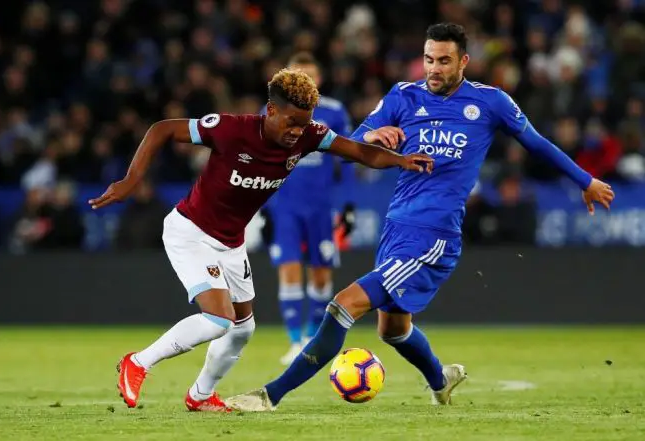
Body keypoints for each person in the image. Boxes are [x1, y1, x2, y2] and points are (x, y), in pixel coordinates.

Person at [225, 23, 615, 411]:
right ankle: (440, 381)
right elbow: (353, 145)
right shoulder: (403, 96)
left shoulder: (490, 102)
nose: (434, 69)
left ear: (463, 61)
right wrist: (371, 137)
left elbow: (536, 143)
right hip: (396, 227)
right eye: (429, 59)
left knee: (343, 304)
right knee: (393, 329)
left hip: (434, 234)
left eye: (443, 61)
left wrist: (585, 181)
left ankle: (269, 395)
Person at [88, 68, 433, 411]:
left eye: (303, 124)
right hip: (191, 232)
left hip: (231, 242)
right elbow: (162, 129)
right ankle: (138, 362)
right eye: (291, 122)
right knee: (219, 319)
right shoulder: (231, 129)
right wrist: (131, 180)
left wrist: (401, 161)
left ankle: (201, 396)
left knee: (242, 329)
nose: (297, 132)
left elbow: (360, 152)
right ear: (271, 110)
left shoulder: (309, 135)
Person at [260, 52, 356, 365]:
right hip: (285, 205)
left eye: (310, 75)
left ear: (319, 79)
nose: (306, 80)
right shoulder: (272, 110)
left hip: (321, 207)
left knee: (321, 274)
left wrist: (348, 204)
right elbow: (259, 158)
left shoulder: (334, 111)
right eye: (300, 75)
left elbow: (348, 158)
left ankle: (312, 337)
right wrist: (261, 205)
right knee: (288, 269)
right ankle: (294, 341)